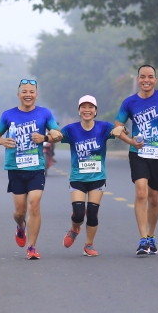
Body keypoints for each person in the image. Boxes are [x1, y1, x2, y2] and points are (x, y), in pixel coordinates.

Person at [114, 64, 158, 256]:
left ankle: (151, 235)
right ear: (138, 79)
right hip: (139, 152)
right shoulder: (129, 102)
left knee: (154, 197)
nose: (146, 80)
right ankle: (142, 239)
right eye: (142, 77)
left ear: (155, 80)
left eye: (150, 77)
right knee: (141, 193)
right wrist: (129, 139)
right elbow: (118, 126)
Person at [0, 80, 61, 260]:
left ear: (36, 95)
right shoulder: (8, 115)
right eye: (24, 91)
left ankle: (32, 247)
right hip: (15, 167)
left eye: (32, 91)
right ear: (19, 95)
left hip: (37, 166)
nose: (28, 94)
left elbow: (57, 134)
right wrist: (2, 141)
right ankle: (21, 226)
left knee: (35, 205)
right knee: (20, 211)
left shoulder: (44, 113)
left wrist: (45, 136)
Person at [60, 95, 124, 257]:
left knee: (93, 213)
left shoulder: (104, 127)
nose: (87, 110)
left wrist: (123, 129)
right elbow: (56, 137)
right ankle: (74, 230)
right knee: (79, 212)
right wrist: (48, 136)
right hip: (78, 178)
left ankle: (89, 245)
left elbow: (120, 130)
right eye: (83, 107)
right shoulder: (71, 129)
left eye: (90, 107)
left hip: (97, 177)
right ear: (79, 110)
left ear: (95, 111)